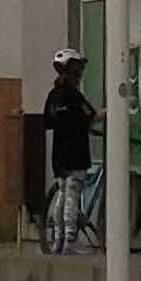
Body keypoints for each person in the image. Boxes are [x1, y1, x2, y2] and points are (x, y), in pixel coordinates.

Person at [42, 46, 97, 182]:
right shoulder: (73, 95)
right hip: (76, 157)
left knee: (62, 194)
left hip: (59, 158)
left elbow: (48, 122)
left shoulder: (53, 95)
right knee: (72, 196)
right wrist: (114, 109)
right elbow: (91, 116)